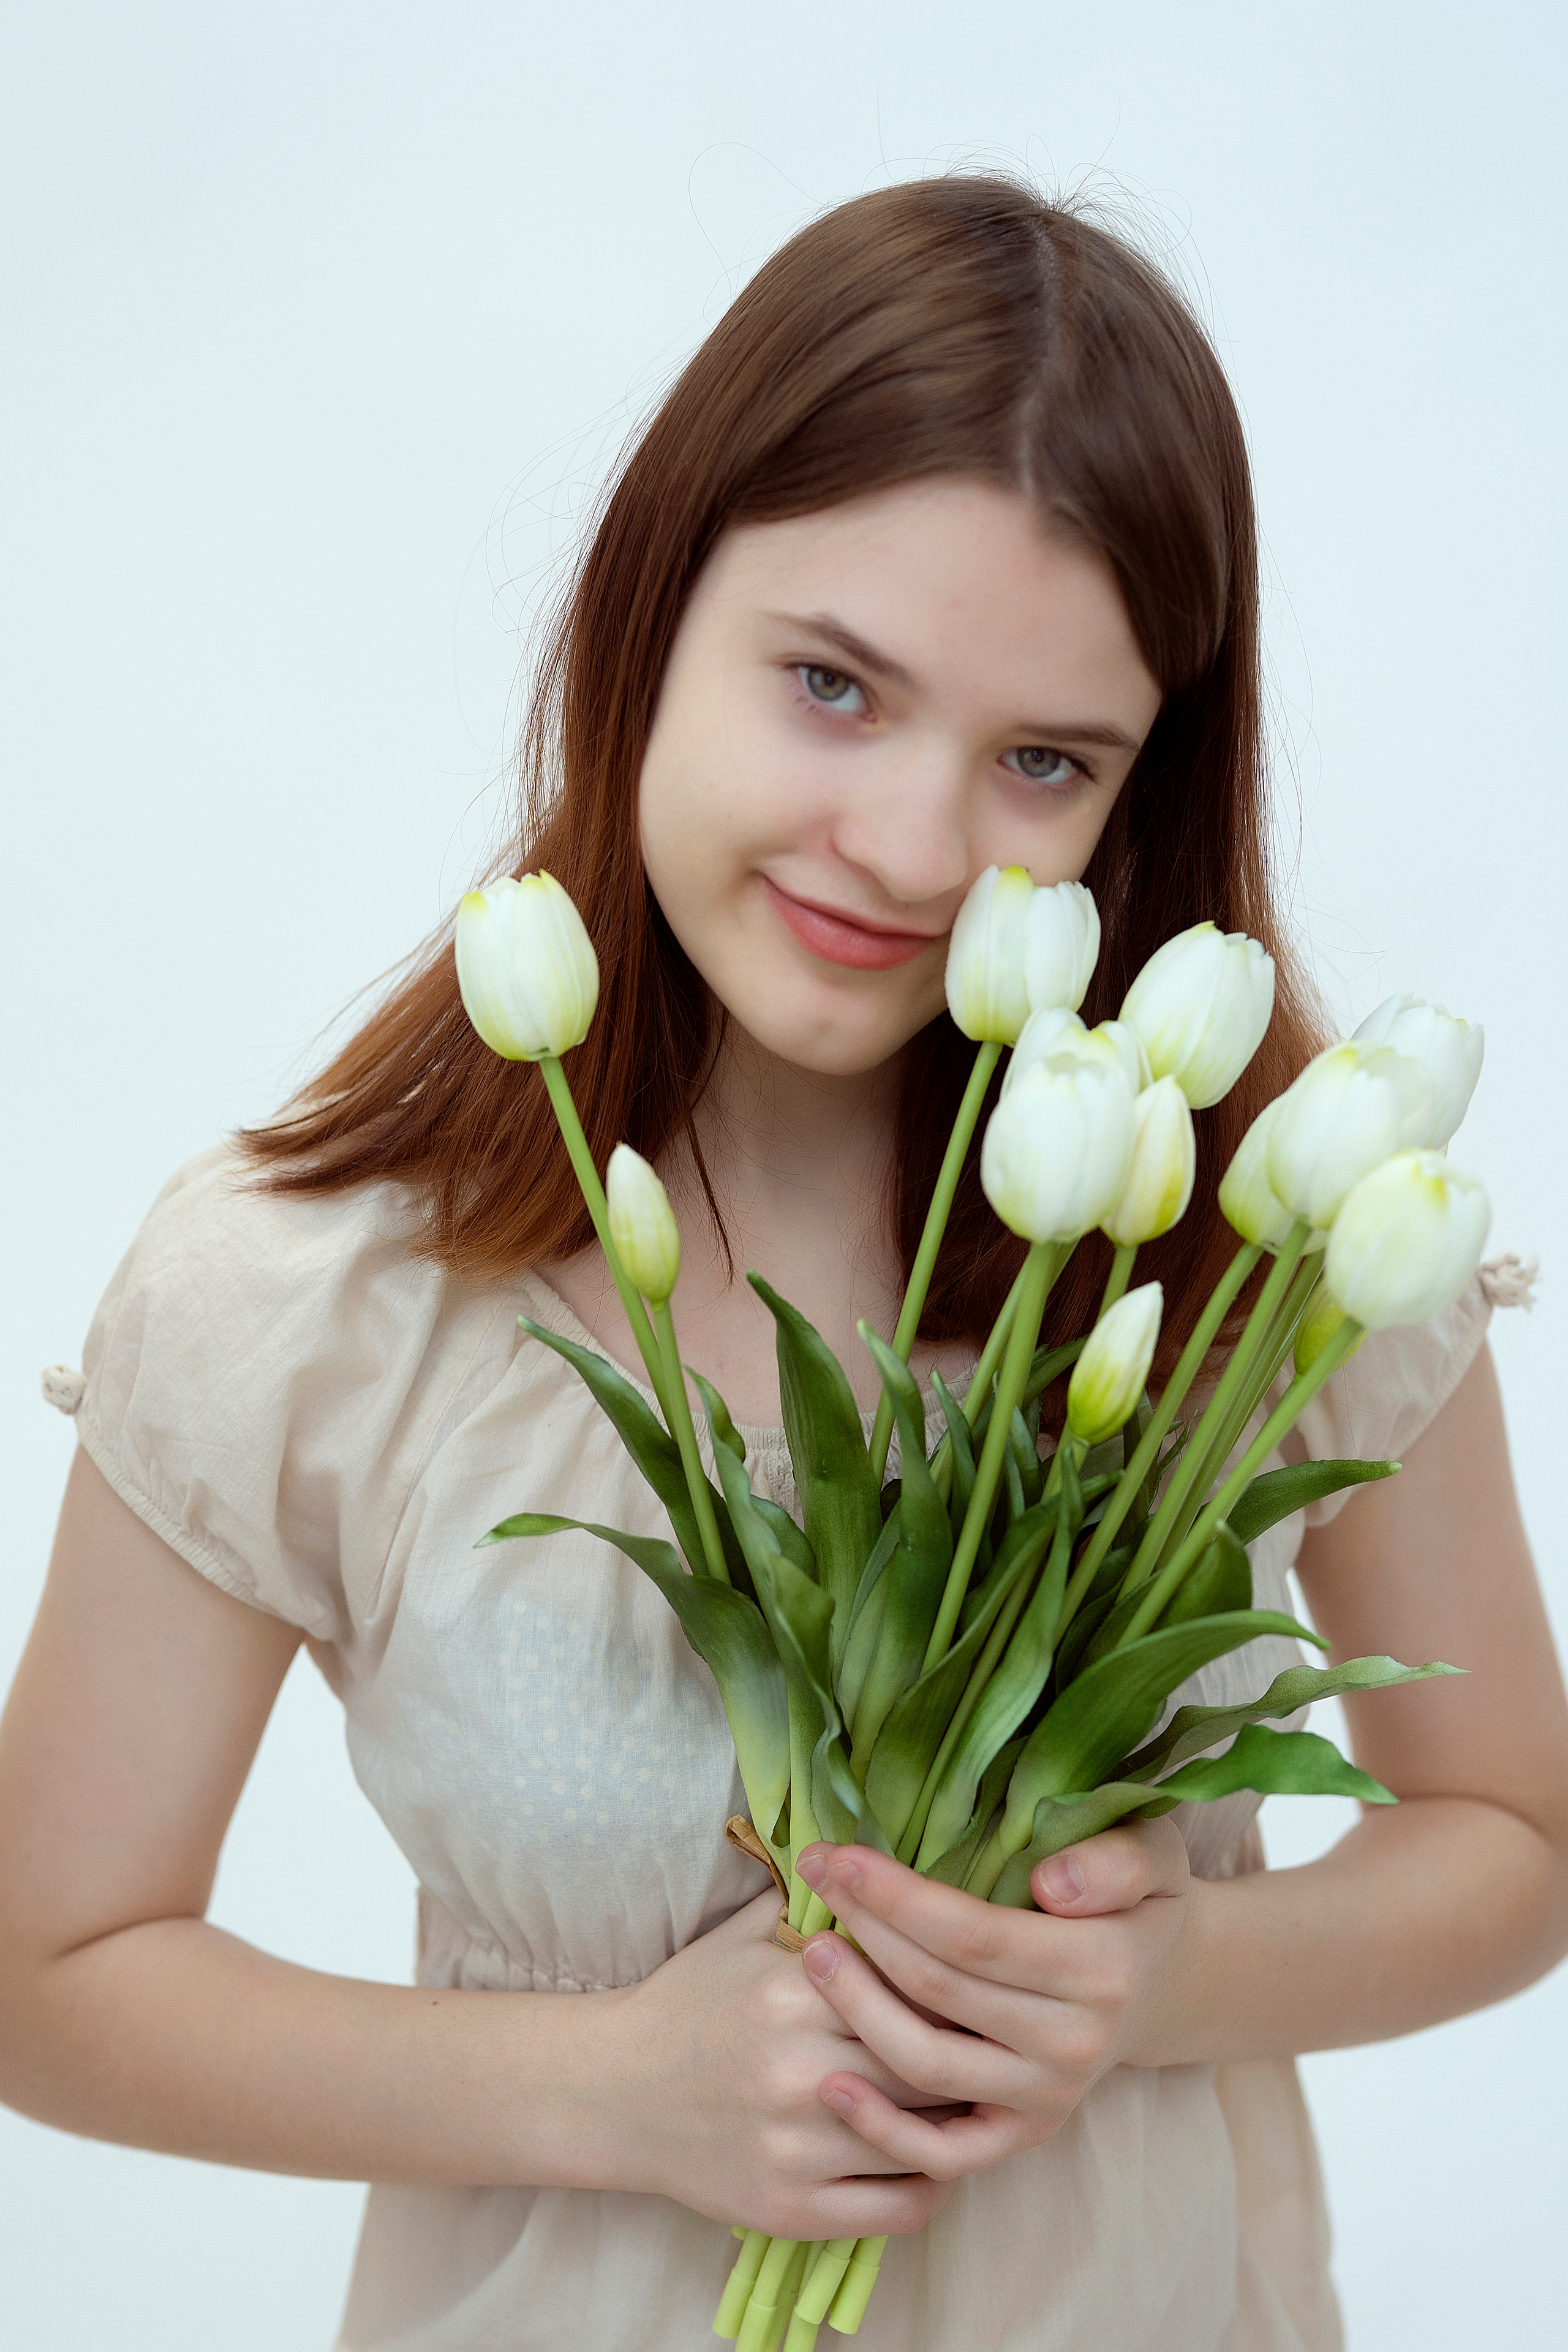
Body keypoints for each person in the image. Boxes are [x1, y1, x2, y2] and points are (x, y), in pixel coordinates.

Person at [1, 175, 1564, 2352]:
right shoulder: (307, 1295)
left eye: (1043, 759)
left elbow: (1512, 1834)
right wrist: (606, 2091)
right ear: (649, 612)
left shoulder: (1266, 1237)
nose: (913, 850)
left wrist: (1165, 1978)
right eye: (833, 685)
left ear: (1137, 794)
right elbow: (47, 1977)